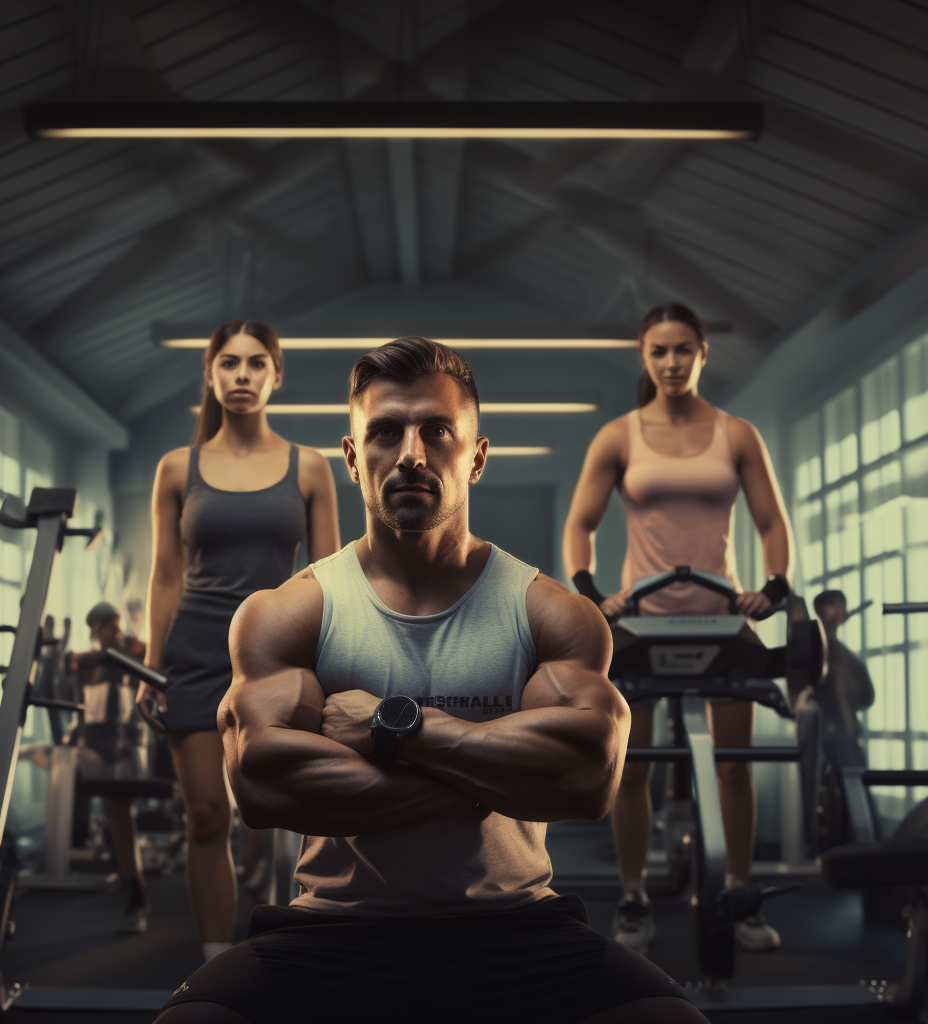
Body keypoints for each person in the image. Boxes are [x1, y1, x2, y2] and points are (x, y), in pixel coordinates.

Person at [155, 337, 705, 1024]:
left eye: (436, 431)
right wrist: (493, 762)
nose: (411, 454)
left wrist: (401, 729)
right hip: (335, 928)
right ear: (354, 459)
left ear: (475, 457)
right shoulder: (287, 613)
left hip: (518, 924)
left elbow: (589, 773)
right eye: (385, 433)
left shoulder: (548, 612)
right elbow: (263, 782)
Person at [562, 302, 794, 956]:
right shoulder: (618, 436)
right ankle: (633, 896)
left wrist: (773, 589)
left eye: (682, 350)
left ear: (702, 354)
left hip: (724, 621)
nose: (670, 363)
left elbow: (773, 522)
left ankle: (741, 896)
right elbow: (580, 523)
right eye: (659, 351)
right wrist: (590, 590)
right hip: (640, 623)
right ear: (644, 355)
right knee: (631, 770)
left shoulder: (737, 434)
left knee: (734, 767)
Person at [135, 318, 341, 964]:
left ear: (277, 376)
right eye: (229, 364)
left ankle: (299, 951)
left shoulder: (310, 468)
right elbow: (166, 575)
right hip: (194, 652)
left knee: (289, 818)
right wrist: (149, 662)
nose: (242, 376)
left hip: (276, 653)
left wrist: (332, 659)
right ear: (210, 374)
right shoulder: (176, 469)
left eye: (256, 364)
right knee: (205, 816)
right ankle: (216, 963)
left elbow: (328, 575)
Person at [69, 602, 150, 933]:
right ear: (96, 630)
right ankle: (128, 880)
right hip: (94, 746)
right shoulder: (90, 664)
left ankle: (136, 890)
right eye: (109, 626)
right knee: (112, 811)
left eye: (118, 625)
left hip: (125, 747)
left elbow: (145, 652)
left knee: (120, 812)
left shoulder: (129, 654)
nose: (115, 631)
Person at [812, 591, 874, 769]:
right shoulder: (815, 649)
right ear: (823, 609)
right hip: (828, 737)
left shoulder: (843, 654)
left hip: (847, 735)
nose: (843, 610)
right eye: (838, 604)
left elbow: (866, 697)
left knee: (855, 787)